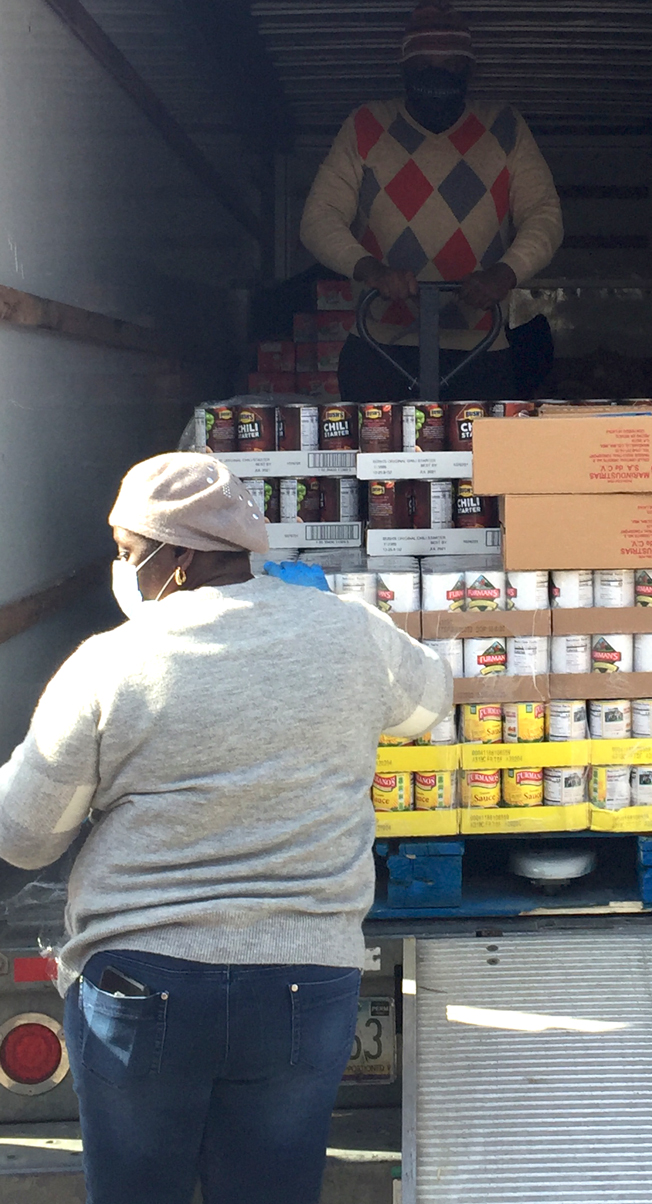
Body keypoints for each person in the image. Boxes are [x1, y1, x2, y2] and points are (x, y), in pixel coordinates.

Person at [0, 453, 452, 1204]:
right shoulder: (351, 633)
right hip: (306, 982)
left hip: (143, 985)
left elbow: (25, 836)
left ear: (174, 556)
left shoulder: (109, 664)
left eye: (125, 552)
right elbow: (428, 704)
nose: (122, 571)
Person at [300, 0, 563, 402]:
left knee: (479, 467)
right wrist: (373, 271)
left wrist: (502, 275)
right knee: (377, 463)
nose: (437, 77)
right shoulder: (366, 126)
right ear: (404, 69)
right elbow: (319, 218)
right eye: (425, 68)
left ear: (470, 70)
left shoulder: (505, 127)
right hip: (379, 345)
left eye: (451, 67)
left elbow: (544, 217)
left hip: (482, 345)